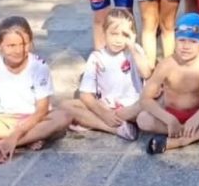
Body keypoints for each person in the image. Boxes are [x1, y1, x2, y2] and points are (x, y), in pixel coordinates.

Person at [0, 16, 71, 162]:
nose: (18, 50)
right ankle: (31, 138)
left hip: (32, 120)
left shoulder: (39, 66)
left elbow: (41, 110)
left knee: (63, 117)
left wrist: (13, 137)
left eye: (23, 44)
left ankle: (7, 143)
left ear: (30, 42)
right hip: (2, 120)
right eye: (11, 46)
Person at [137, 13, 199, 154]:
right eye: (182, 40)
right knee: (142, 119)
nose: (186, 46)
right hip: (173, 115)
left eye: (193, 42)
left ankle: (180, 141)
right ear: (175, 40)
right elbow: (145, 99)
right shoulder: (166, 65)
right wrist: (169, 119)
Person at [63, 9, 152, 141]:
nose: (118, 40)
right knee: (66, 106)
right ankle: (115, 128)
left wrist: (132, 46)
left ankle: (96, 122)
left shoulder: (135, 51)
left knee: (147, 112)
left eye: (124, 35)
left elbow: (146, 72)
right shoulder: (97, 57)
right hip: (106, 106)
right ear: (104, 33)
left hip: (132, 108)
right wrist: (104, 113)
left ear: (132, 35)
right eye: (114, 34)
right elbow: (85, 94)